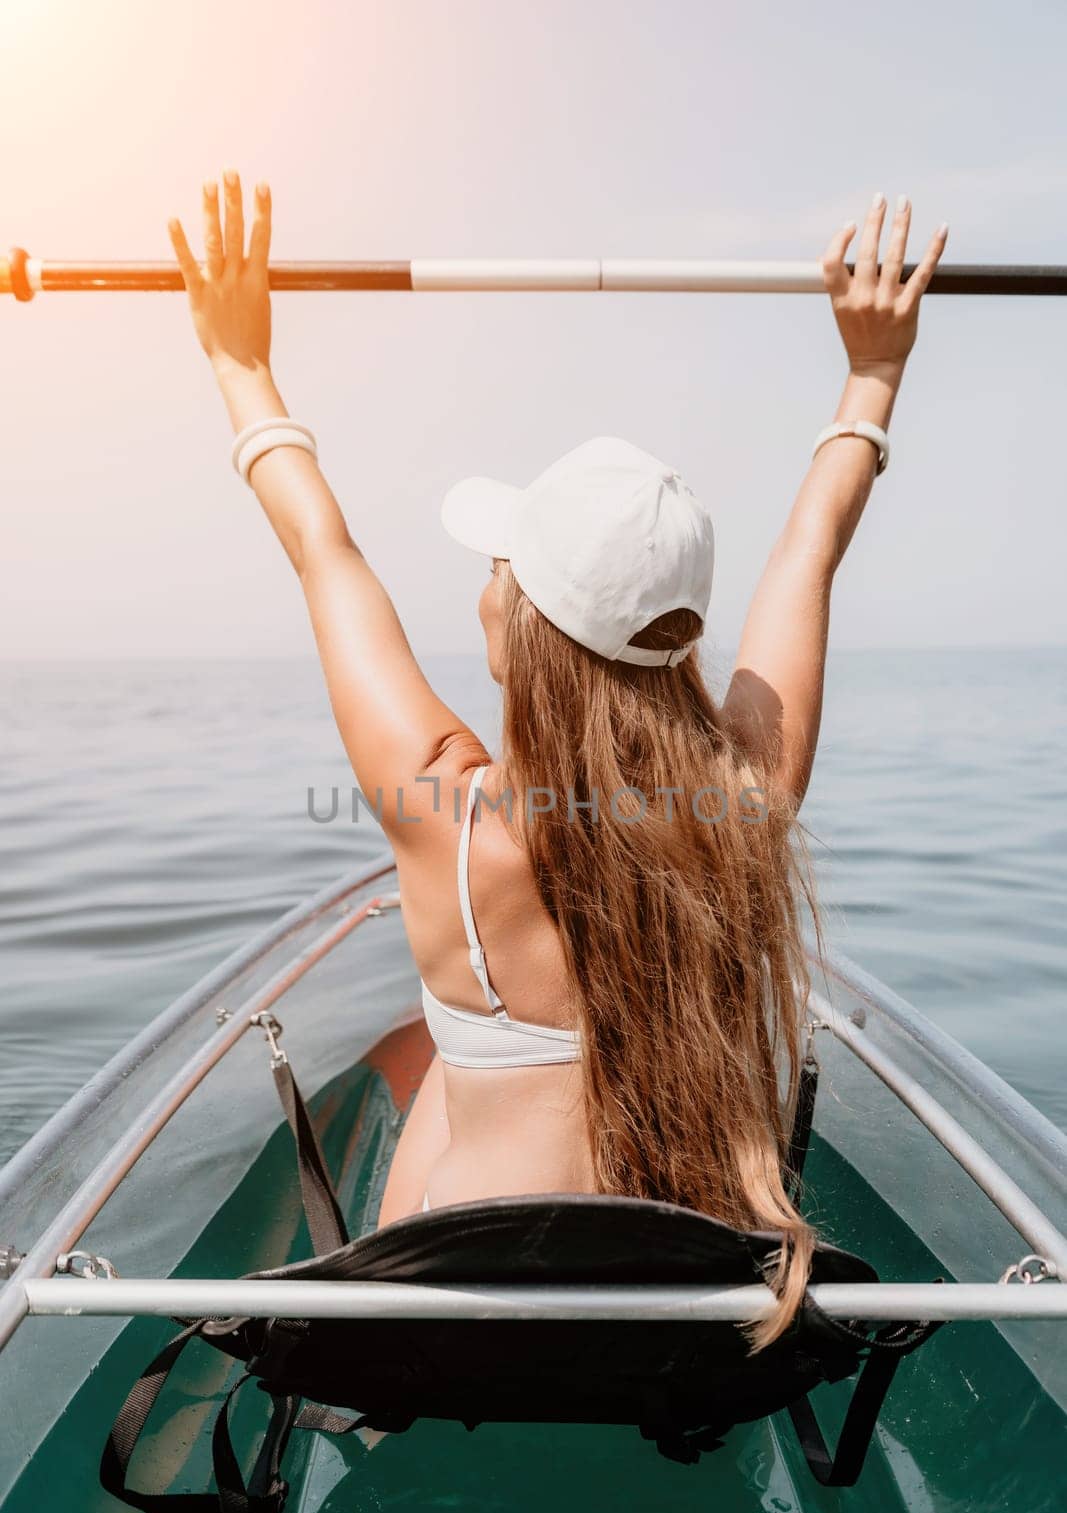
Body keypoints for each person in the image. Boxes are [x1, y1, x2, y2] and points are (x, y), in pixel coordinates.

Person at [169, 178, 946, 1344]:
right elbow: (809, 550)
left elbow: (321, 551)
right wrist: (871, 371)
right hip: (691, 1324)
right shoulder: (747, 797)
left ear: (519, 621)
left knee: (426, 1054)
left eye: (498, 568)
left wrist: (239, 363)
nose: (483, 584)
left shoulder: (441, 809)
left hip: (458, 1321)